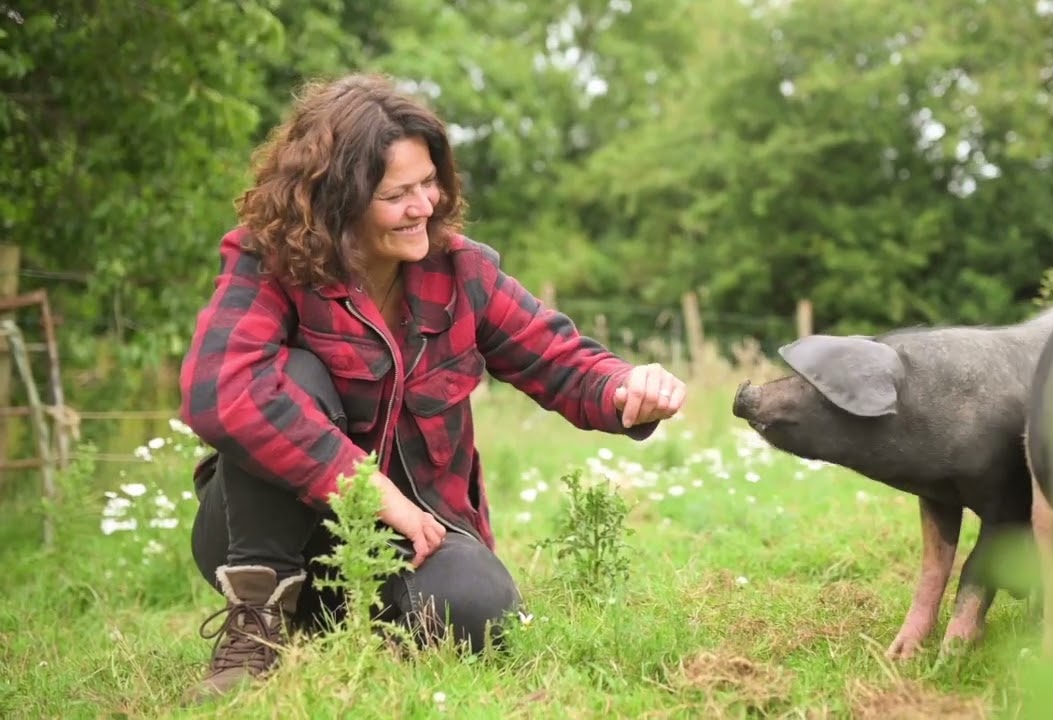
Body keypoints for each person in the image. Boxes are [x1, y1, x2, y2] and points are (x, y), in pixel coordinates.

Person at [177, 72, 686, 703]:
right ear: (336, 201)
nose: (426, 206)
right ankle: (258, 626)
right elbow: (219, 390)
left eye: (430, 184)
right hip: (261, 536)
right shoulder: (269, 261)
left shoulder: (463, 269)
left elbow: (556, 356)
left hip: (419, 535)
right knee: (286, 379)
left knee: (483, 613)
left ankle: (344, 626)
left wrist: (622, 386)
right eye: (398, 194)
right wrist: (365, 486)